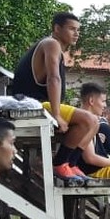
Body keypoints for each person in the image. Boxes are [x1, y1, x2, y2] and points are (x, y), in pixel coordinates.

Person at [9, 12, 98, 183]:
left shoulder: (56, 48)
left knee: (94, 123)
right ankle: (59, 163)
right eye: (72, 29)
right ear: (57, 28)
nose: (77, 34)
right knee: (88, 119)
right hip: (31, 104)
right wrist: (57, 115)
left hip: (42, 104)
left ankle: (70, 164)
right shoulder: (51, 44)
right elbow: (53, 78)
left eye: (78, 30)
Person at [75, 82, 110, 179]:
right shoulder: (83, 122)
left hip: (97, 169)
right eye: (103, 101)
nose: (105, 105)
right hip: (92, 172)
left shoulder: (90, 121)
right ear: (91, 101)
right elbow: (90, 158)